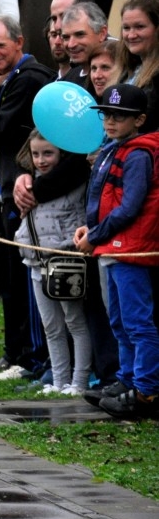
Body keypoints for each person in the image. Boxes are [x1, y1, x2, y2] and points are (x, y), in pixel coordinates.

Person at [0, 15, 55, 381]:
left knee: (22, 280)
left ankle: (27, 356)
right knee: (5, 280)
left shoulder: (29, 79)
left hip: (18, 195)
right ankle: (13, 352)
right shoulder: (2, 78)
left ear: (19, 42)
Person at [75, 83, 159, 418]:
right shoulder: (114, 148)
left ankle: (147, 391)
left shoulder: (138, 154)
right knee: (120, 321)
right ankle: (125, 380)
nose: (110, 121)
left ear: (139, 120)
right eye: (106, 114)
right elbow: (102, 198)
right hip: (112, 244)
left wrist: (96, 235)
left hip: (132, 248)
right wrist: (89, 227)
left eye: (119, 116)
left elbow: (130, 207)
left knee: (139, 323)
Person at [13, 131, 90, 395]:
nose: (41, 160)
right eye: (36, 154)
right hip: (36, 261)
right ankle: (59, 381)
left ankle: (79, 382)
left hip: (65, 260)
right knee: (51, 325)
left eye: (48, 153)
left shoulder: (72, 181)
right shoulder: (29, 183)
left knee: (75, 322)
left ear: (61, 154)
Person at [112, 0, 159, 134]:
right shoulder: (128, 70)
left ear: (157, 28)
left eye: (139, 27)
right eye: (126, 28)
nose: (131, 35)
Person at [60, 2, 109, 90]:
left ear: (102, 33)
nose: (71, 44)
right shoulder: (67, 81)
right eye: (66, 37)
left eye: (79, 35)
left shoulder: (118, 76)